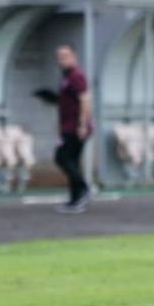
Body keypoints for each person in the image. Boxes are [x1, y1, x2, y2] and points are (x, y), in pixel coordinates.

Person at [49, 44, 93, 213]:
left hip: (75, 127)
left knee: (62, 158)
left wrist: (82, 124)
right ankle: (75, 200)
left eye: (65, 56)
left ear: (74, 56)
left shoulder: (76, 75)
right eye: (59, 56)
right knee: (71, 161)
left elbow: (85, 99)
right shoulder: (65, 77)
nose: (62, 59)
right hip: (67, 125)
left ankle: (84, 188)